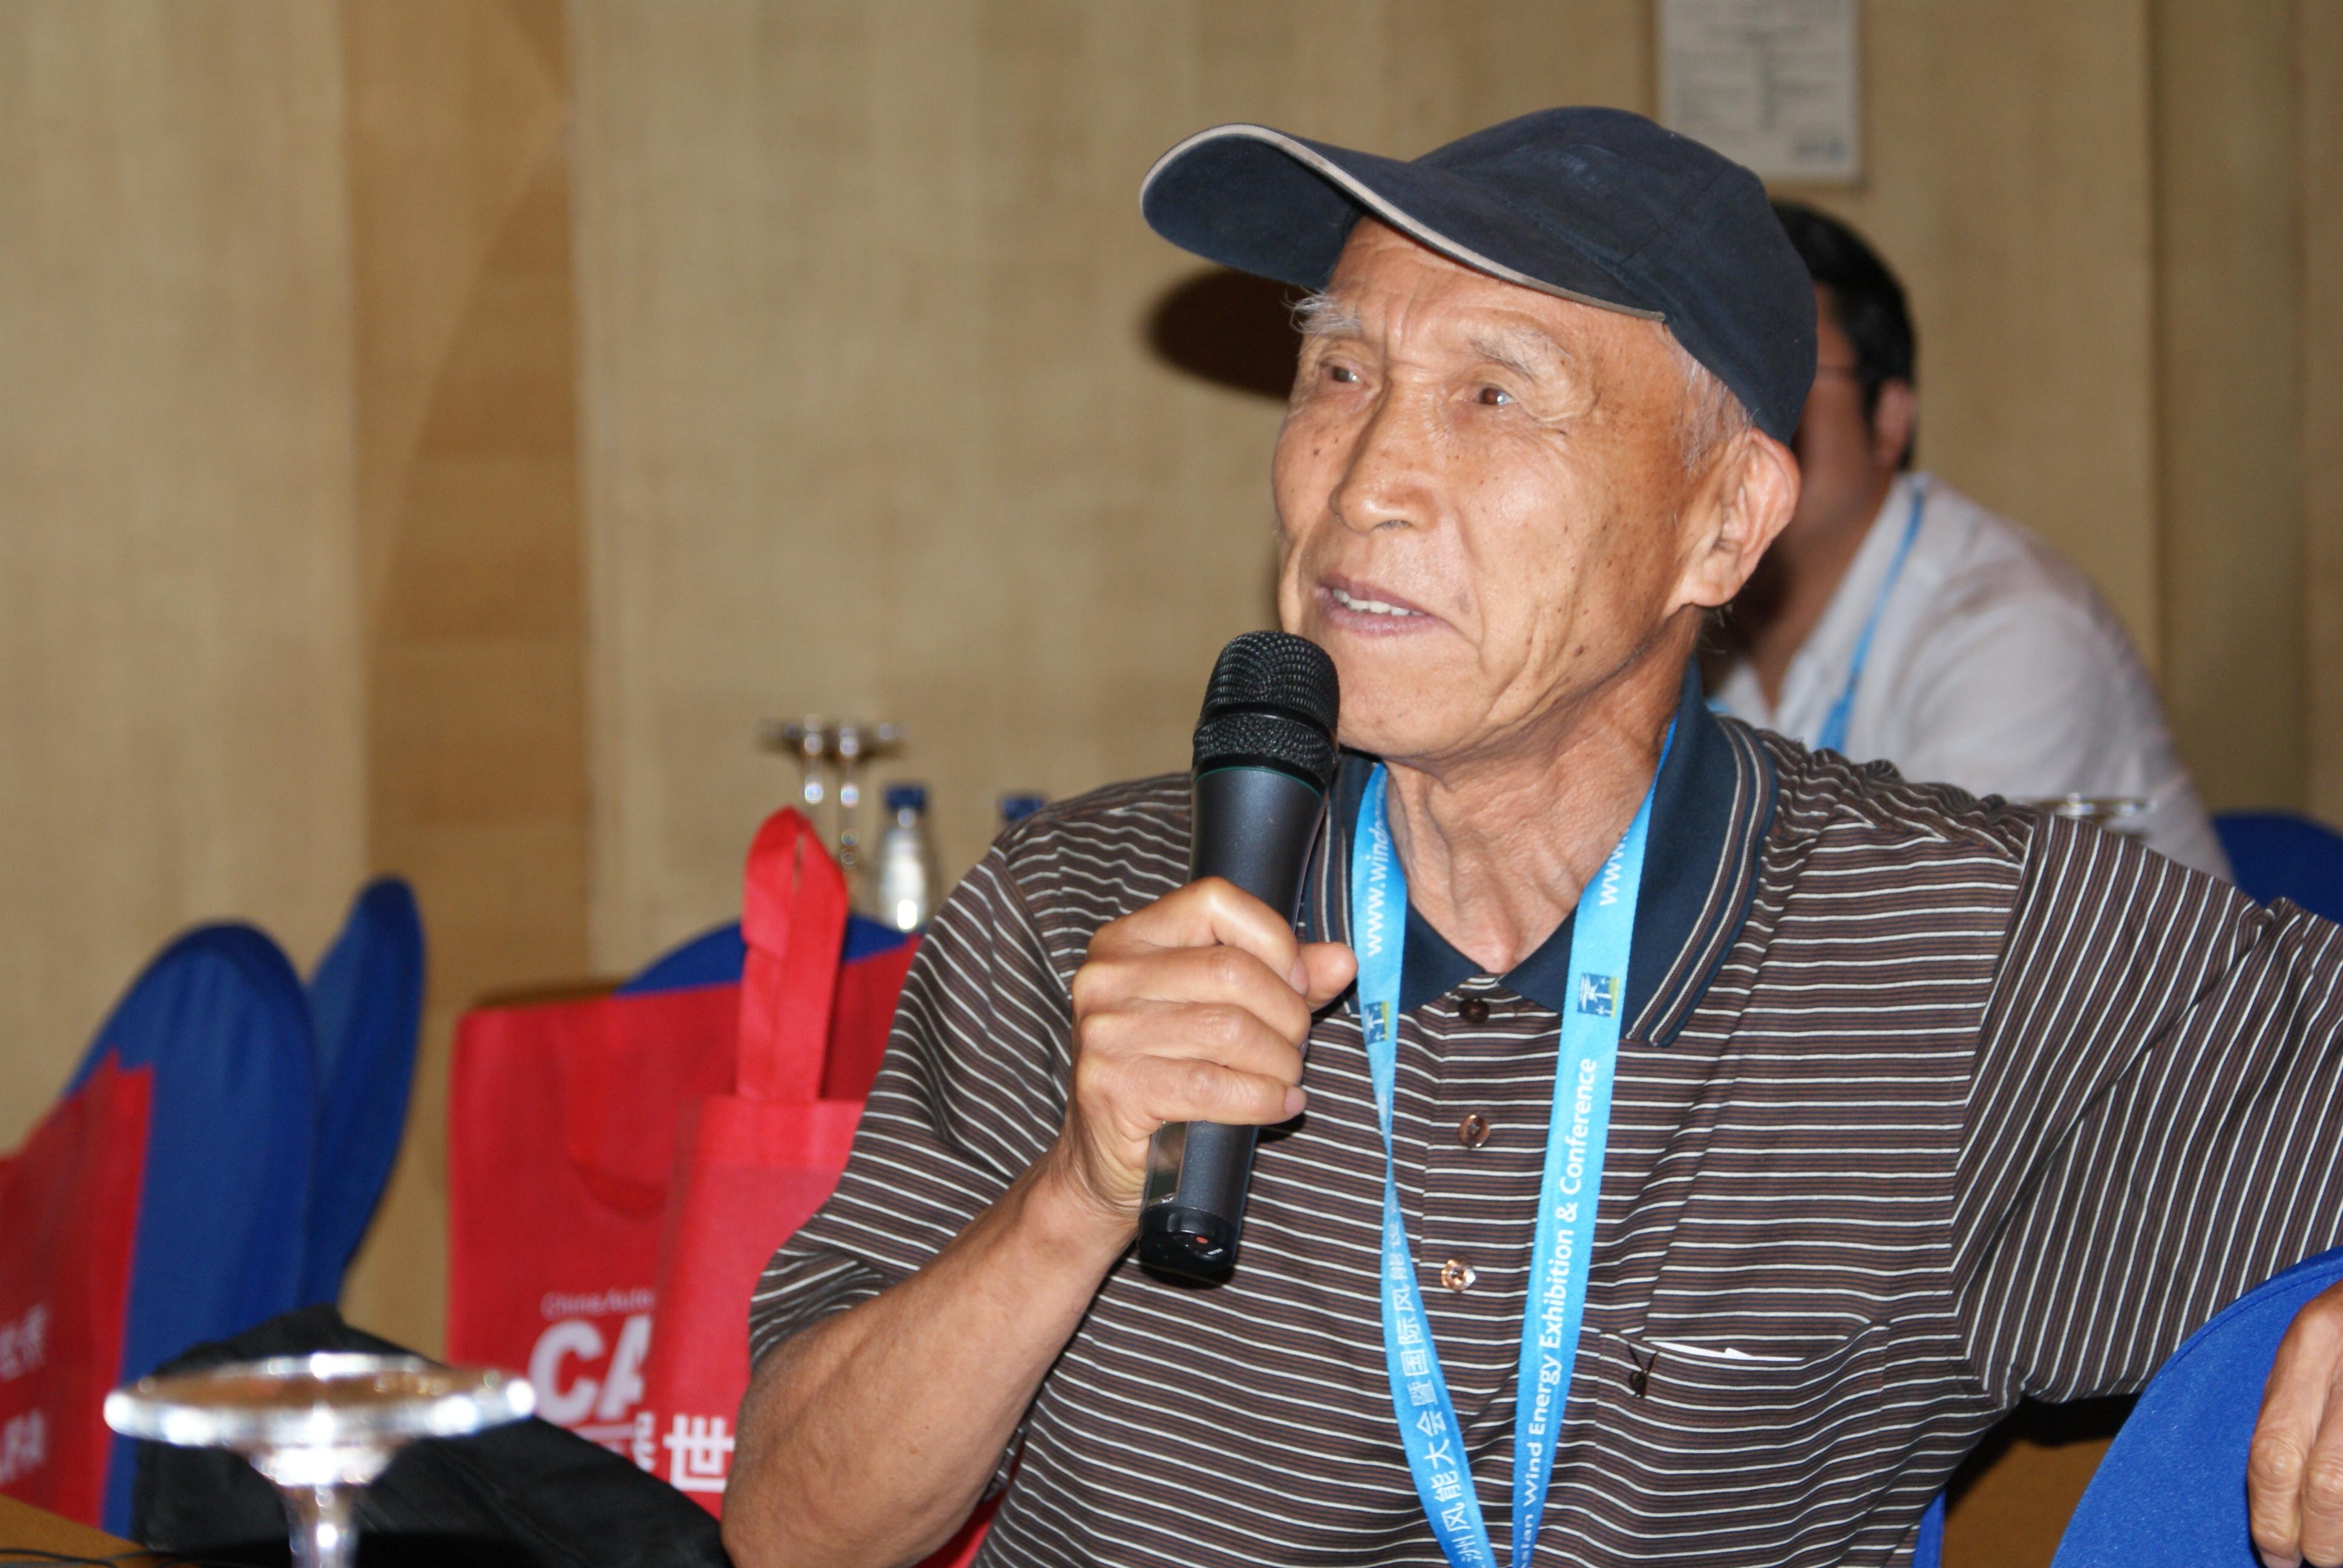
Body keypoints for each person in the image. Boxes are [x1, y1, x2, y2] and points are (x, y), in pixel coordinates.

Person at [723, 110, 2343, 1568]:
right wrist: (1074, 1199)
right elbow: (793, 1532)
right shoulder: (1078, 911)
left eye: (1495, 396)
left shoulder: (1953, 953)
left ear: (1723, 522)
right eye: (1338, 374)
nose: (1368, 481)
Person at [1707, 201, 2229, 877]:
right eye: (1710, 376)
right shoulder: (1684, 604)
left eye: (1785, 374)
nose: (1736, 413)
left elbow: (1925, 922)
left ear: (1889, 418)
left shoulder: (2016, 630)